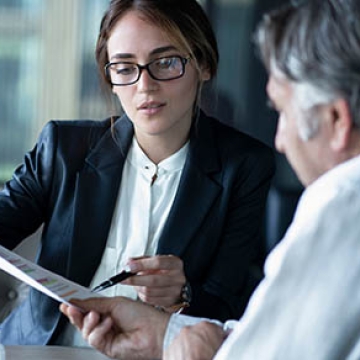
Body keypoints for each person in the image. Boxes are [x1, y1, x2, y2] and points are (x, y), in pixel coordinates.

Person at [61, 0, 360, 359]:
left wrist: (180, 323)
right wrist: (164, 335)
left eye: (282, 111)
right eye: (124, 67)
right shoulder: (63, 148)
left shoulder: (341, 204)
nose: (280, 139)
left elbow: (264, 350)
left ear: (336, 120)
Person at [0, 0, 275, 346]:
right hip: (39, 353)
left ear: (203, 65)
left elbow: (232, 303)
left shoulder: (245, 166)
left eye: (165, 62)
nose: (144, 86)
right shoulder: (62, 148)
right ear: (110, 78)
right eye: (125, 68)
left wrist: (183, 293)